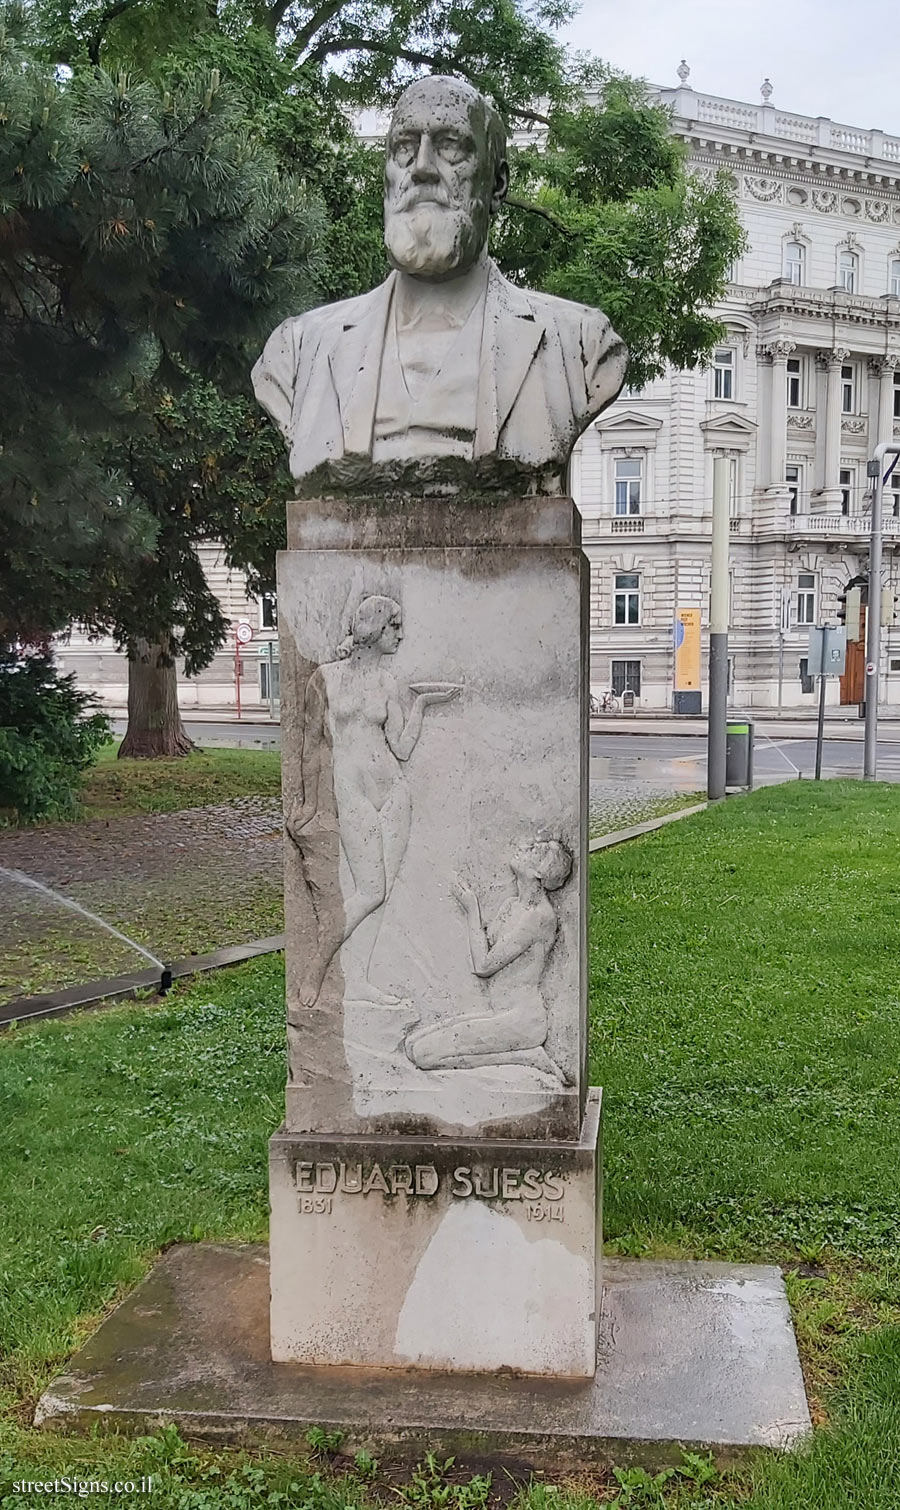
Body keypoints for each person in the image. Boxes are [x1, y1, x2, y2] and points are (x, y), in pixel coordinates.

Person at [252, 75, 627, 492]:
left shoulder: (577, 343)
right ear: (387, 175)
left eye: (450, 146)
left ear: (497, 183)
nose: (423, 169)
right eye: (404, 148)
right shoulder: (299, 350)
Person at [287, 594, 459, 1007]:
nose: (401, 635)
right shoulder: (324, 678)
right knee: (369, 890)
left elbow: (400, 747)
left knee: (380, 895)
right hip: (351, 790)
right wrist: (309, 803)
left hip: (393, 791)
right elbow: (311, 744)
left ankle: (359, 980)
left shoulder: (389, 682)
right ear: (374, 628)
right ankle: (316, 969)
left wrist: (420, 704)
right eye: (394, 627)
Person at [404, 836, 573, 1080]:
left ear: (538, 871)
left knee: (423, 1054)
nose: (524, 847)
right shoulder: (511, 906)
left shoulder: (539, 917)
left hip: (522, 1020)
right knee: (411, 1045)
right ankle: (522, 1054)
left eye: (534, 850)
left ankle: (526, 1057)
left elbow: (483, 965)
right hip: (499, 1013)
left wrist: (471, 909)